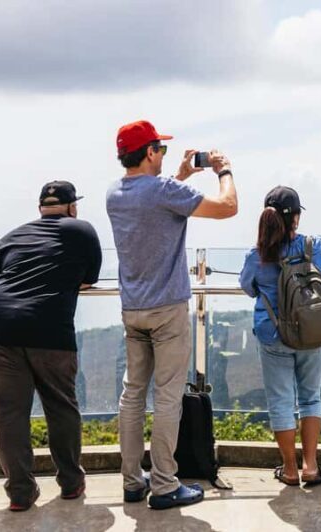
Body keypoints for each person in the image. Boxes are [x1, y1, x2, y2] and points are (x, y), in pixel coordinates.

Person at [107, 120, 237, 510]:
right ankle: (164, 484)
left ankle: (133, 481)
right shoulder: (165, 191)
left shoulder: (114, 193)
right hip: (167, 310)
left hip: (133, 310)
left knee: (132, 395)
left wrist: (181, 174)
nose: (163, 154)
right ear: (149, 153)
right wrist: (223, 170)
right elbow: (228, 208)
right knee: (167, 398)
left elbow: (157, 203)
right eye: (159, 149)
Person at [0, 181, 102, 511]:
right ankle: (71, 483)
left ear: (39, 209)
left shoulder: (12, 235)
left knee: (9, 413)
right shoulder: (83, 230)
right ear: (72, 207)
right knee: (61, 406)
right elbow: (88, 280)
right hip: (50, 328)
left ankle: (20, 493)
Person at [239, 186, 321, 487]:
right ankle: (311, 466)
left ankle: (289, 470)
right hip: (312, 332)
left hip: (273, 335)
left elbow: (248, 287)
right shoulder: (315, 246)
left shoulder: (256, 255)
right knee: (311, 398)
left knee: (281, 402)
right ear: (296, 217)